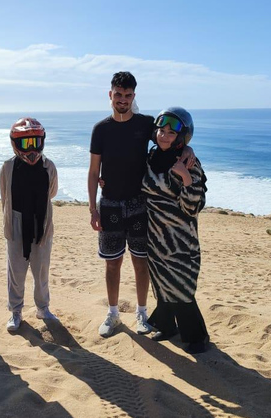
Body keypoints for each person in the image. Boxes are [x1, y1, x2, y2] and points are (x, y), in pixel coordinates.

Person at [88, 71, 195, 337]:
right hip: (110, 204)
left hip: (139, 204)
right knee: (112, 263)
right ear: (110, 95)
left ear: (133, 96)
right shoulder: (100, 129)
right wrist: (92, 209)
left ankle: (142, 314)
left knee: (141, 262)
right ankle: (113, 314)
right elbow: (93, 171)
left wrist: (188, 149)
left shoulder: (145, 123)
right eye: (118, 95)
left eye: (127, 95)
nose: (122, 100)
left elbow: (167, 139)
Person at [142, 107, 209, 354]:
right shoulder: (151, 158)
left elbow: (193, 207)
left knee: (182, 290)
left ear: (182, 138)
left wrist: (186, 178)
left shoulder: (188, 163)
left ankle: (198, 337)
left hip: (181, 242)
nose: (165, 135)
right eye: (162, 130)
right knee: (161, 286)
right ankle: (167, 327)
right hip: (155, 238)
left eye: (171, 132)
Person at [0, 117, 59, 332]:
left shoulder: (48, 166)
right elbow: (4, 196)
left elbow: (51, 193)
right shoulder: (8, 167)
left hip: (41, 222)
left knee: (41, 270)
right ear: (16, 144)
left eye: (35, 142)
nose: (32, 148)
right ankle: (15, 311)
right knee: (16, 271)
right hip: (16, 222)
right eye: (26, 143)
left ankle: (43, 308)